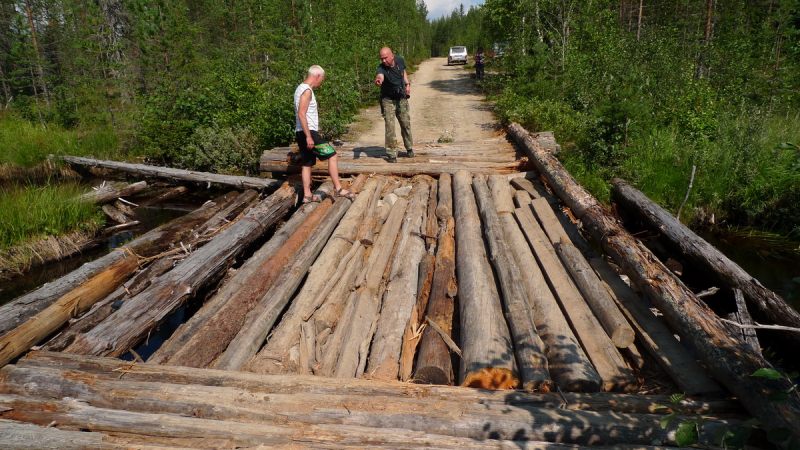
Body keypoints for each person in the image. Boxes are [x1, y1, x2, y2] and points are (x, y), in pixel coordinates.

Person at [294, 65, 355, 203]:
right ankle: (338, 189)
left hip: (300, 131)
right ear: (317, 77)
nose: (321, 82)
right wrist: (309, 136)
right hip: (307, 132)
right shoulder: (307, 91)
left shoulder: (299, 88)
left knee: (307, 163)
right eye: (322, 79)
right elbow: (301, 114)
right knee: (332, 155)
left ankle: (307, 195)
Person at [374, 46, 414, 163]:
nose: (383, 61)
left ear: (392, 56)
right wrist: (379, 80)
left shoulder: (400, 60)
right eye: (381, 58)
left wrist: (407, 84)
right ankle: (391, 153)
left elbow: (403, 71)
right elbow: (380, 75)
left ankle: (409, 147)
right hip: (388, 100)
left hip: (401, 98)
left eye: (385, 58)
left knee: (405, 123)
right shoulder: (381, 68)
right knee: (390, 127)